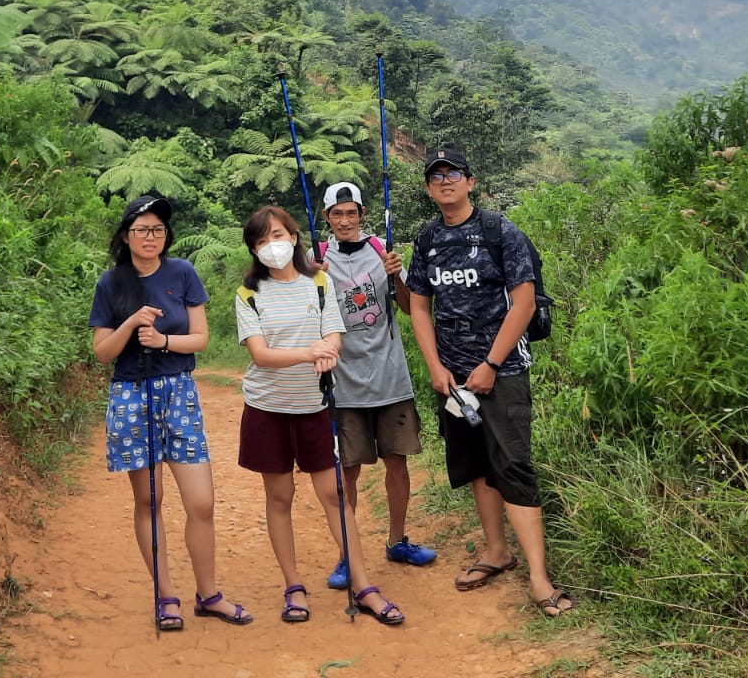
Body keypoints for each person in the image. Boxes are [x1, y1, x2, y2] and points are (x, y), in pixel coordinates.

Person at [405, 149, 577, 618]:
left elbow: (523, 304)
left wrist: (491, 364)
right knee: (478, 464)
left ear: (470, 181)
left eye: (453, 174)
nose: (444, 182)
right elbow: (420, 306)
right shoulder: (427, 240)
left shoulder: (500, 231)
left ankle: (540, 579)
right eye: (435, 176)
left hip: (502, 372)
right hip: (453, 377)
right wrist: (436, 368)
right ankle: (496, 551)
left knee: (514, 465)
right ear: (427, 188)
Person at [234, 205, 406, 626]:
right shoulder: (248, 294)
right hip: (266, 408)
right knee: (280, 498)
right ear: (253, 250)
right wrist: (311, 352)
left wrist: (326, 350)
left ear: (293, 238)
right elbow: (261, 354)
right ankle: (293, 586)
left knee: (334, 496)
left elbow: (334, 334)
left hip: (314, 407)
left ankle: (363, 585)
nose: (270, 246)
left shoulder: (320, 282)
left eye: (277, 235)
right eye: (260, 241)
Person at [89, 193, 254, 631]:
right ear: (126, 235)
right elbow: (103, 353)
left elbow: (199, 338)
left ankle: (209, 594)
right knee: (150, 499)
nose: (151, 237)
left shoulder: (182, 273)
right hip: (131, 393)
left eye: (158, 229)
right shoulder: (111, 283)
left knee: (201, 502)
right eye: (142, 229)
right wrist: (131, 324)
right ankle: (166, 596)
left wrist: (162, 341)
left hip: (178, 391)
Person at [316, 181, 437, 590]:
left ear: (362, 214)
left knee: (397, 462)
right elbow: (306, 314)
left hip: (390, 377)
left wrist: (396, 276)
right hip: (342, 382)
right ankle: (347, 555)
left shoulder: (384, 251)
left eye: (352, 213)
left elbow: (408, 307)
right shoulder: (316, 258)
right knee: (346, 472)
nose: (346, 220)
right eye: (338, 214)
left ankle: (397, 540)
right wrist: (311, 282)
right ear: (328, 218)